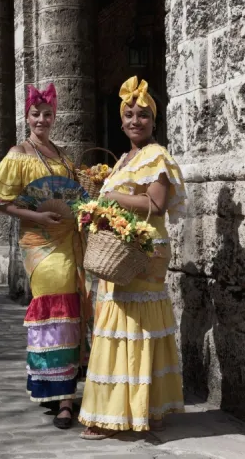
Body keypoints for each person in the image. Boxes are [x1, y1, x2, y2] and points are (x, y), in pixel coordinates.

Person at [79, 76, 186, 439]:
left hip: (143, 250)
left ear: (154, 121)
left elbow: (155, 205)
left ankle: (130, 412)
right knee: (122, 327)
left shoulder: (157, 157)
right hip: (120, 249)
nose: (134, 121)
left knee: (135, 329)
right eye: (128, 114)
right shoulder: (125, 158)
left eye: (142, 115)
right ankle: (135, 410)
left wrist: (113, 200)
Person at [0, 83, 90, 430]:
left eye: (48, 114)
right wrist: (38, 217)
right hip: (41, 244)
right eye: (36, 114)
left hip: (72, 240)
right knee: (56, 312)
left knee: (74, 311)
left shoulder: (62, 155)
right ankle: (59, 394)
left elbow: (75, 196)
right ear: (27, 116)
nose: (42, 119)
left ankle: (63, 394)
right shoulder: (19, 153)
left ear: (54, 116)